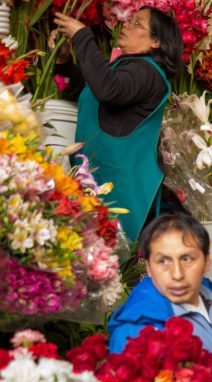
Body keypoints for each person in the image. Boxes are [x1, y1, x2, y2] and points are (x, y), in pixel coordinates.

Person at [52, 8, 182, 242]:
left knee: (108, 257)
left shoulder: (146, 72)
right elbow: (92, 89)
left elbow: (107, 89)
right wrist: (64, 62)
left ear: (156, 41)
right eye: (129, 20)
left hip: (118, 187)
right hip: (98, 178)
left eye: (137, 24)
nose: (127, 25)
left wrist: (82, 36)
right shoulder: (127, 67)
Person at [107, 213, 212, 353]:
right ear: (149, 268)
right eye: (163, 261)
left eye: (187, 259)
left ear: (207, 262)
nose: (177, 274)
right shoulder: (135, 334)